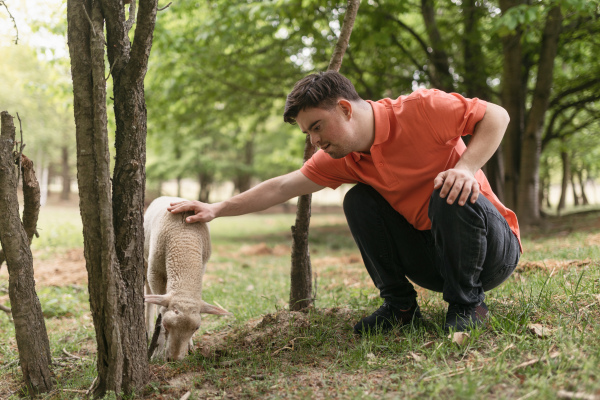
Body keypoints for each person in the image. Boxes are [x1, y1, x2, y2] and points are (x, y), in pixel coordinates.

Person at [168, 71, 522, 334]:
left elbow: (497, 116)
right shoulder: (343, 156)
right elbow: (281, 187)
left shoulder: (422, 108)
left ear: (344, 108)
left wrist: (465, 167)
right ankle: (400, 309)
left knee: (448, 188)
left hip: (491, 252)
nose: (315, 140)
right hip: (435, 262)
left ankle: (468, 306)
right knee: (359, 200)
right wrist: (215, 209)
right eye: (308, 133)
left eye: (318, 127)